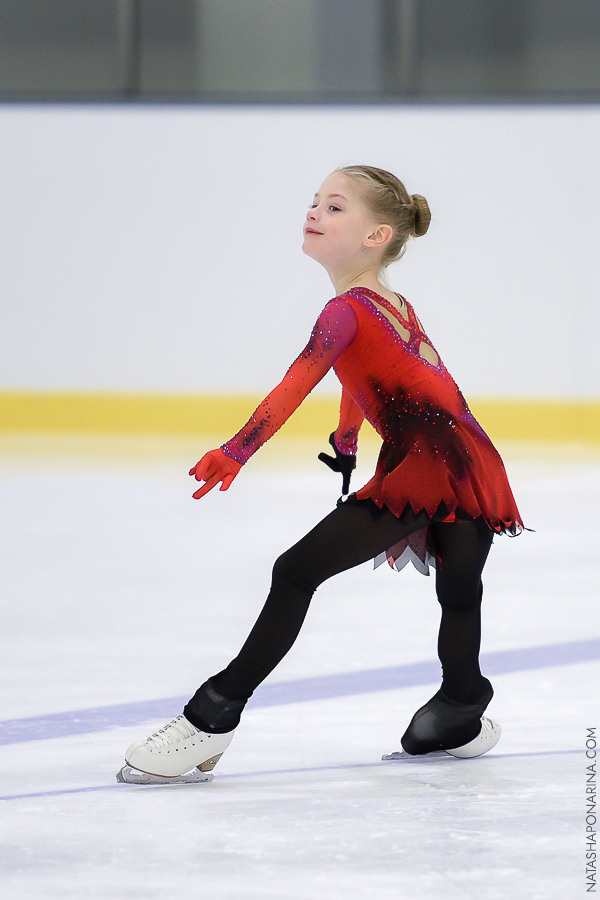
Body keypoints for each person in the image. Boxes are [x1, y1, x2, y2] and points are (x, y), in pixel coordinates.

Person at [118, 165, 523, 784]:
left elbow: (297, 381)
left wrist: (236, 450)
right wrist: (350, 432)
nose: (314, 213)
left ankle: (210, 719)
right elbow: (374, 374)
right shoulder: (387, 302)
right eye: (314, 202)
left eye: (335, 208)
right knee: (459, 589)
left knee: (296, 571)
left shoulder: (346, 310)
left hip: (432, 460)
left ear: (376, 235)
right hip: (466, 454)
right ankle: (461, 707)